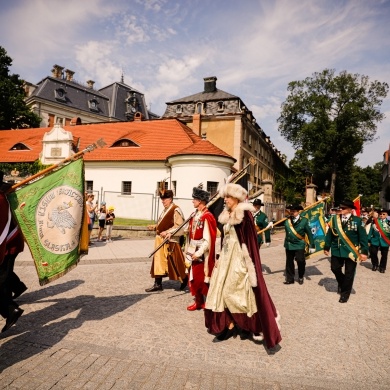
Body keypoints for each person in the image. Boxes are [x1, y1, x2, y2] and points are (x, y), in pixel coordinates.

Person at [204, 183, 281, 349]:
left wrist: (249, 263)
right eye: (225, 197)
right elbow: (225, 238)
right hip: (226, 258)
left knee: (239, 293)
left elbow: (249, 241)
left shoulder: (244, 214)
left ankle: (250, 325)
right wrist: (218, 257)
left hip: (239, 259)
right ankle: (229, 324)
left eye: (228, 197)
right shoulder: (227, 213)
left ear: (236, 198)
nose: (225, 200)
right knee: (220, 290)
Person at [324, 199, 369, 303]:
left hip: (351, 251)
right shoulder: (334, 219)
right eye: (340, 207)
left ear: (349, 209)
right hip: (337, 249)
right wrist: (327, 247)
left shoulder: (358, 221)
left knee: (349, 273)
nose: (341, 209)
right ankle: (342, 282)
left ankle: (345, 294)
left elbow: (363, 237)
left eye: (343, 208)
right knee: (334, 268)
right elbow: (329, 234)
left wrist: (364, 252)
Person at [145, 187, 187, 292]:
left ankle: (185, 279)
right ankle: (157, 284)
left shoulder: (176, 209)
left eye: (165, 199)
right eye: (162, 199)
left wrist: (168, 232)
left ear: (171, 199)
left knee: (175, 263)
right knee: (158, 262)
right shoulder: (165, 210)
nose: (163, 201)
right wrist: (155, 226)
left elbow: (180, 226)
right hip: (160, 240)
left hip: (171, 241)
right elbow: (164, 224)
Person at [185, 185, 217, 310]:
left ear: (200, 201)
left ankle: (207, 302)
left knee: (202, 278)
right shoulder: (195, 214)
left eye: (195, 199)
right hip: (192, 249)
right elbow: (188, 230)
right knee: (192, 277)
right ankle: (198, 301)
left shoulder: (207, 217)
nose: (193, 201)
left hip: (201, 253)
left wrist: (198, 253)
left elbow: (208, 239)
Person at [0, 173, 25, 332]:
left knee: (2, 280)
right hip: (8, 245)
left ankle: (10, 310)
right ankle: (10, 309)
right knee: (4, 280)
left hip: (8, 245)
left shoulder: (1, 199)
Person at [283, 204, 315, 285]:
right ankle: (290, 279)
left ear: (298, 212)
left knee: (300, 260)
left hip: (299, 243)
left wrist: (312, 245)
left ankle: (301, 276)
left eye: (293, 211)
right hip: (289, 244)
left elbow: (309, 233)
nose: (292, 212)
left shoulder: (304, 221)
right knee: (289, 262)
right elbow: (278, 224)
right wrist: (271, 225)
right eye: (291, 211)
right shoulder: (287, 220)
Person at [367, 209, 390, 273]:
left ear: (387, 215)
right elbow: (371, 231)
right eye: (381, 214)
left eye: (383, 214)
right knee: (373, 253)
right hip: (375, 240)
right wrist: (368, 239)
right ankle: (375, 265)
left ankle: (382, 267)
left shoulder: (389, 222)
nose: (381, 215)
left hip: (385, 241)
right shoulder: (375, 221)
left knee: (384, 255)